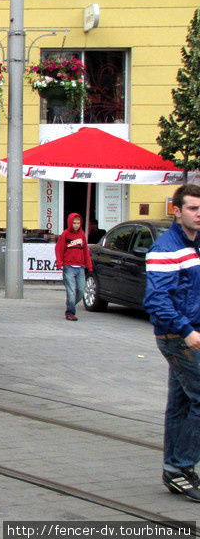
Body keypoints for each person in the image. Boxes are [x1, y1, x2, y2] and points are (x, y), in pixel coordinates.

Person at [143, 183, 200, 503]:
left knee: (181, 403)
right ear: (177, 211)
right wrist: (187, 331)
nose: (198, 214)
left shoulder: (195, 244)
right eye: (192, 208)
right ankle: (180, 465)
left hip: (190, 331)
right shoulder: (166, 249)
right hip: (177, 336)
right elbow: (157, 300)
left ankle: (176, 470)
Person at [54, 212, 93, 321]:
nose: (76, 225)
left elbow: (85, 251)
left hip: (80, 267)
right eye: (74, 223)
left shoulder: (82, 234)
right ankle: (70, 313)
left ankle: (70, 304)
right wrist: (59, 262)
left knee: (81, 291)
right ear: (70, 223)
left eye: (78, 223)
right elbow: (59, 249)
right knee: (71, 291)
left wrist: (89, 265)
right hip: (69, 267)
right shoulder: (65, 234)